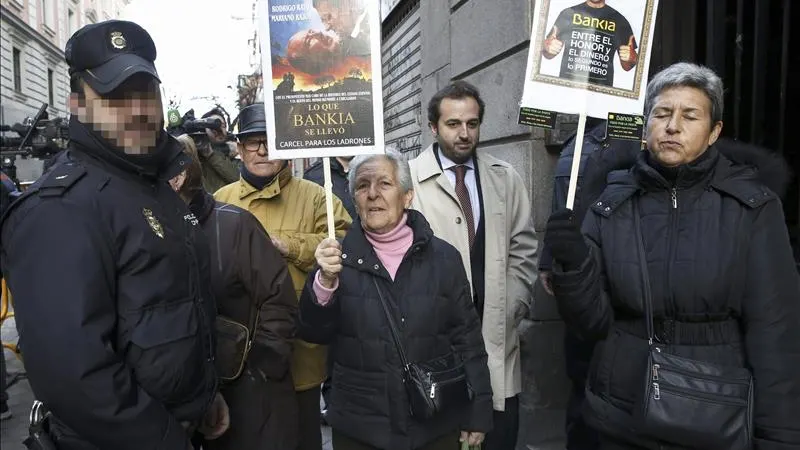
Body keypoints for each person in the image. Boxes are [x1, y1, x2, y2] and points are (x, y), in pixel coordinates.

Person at [544, 62, 800, 449]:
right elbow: (590, 323)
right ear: (645, 127)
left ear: (714, 132)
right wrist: (573, 264)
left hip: (714, 414)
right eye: (661, 113)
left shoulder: (752, 208)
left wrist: (779, 437)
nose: (672, 126)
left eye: (690, 115)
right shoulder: (610, 204)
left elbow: (776, 332)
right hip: (620, 415)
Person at [0, 20, 228, 449]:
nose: (137, 109)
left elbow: (176, 309)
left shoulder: (151, 184)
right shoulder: (61, 208)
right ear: (77, 103)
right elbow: (75, 376)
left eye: (145, 93)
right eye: (114, 96)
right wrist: (165, 440)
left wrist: (203, 398)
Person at [298, 149, 493, 450]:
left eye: (384, 184)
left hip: (433, 422)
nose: (373, 194)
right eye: (363, 186)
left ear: (407, 196)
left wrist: (478, 412)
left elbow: (467, 339)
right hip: (360, 427)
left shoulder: (443, 258)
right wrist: (324, 282)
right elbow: (313, 332)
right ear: (354, 199)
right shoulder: (336, 260)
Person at [408, 81, 538, 450]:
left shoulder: (504, 177)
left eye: (472, 123)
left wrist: (514, 304)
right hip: (436, 343)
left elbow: (524, 245)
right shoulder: (410, 182)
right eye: (453, 124)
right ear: (433, 127)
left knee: (499, 434)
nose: (464, 133)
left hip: (497, 336)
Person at [214, 103, 352, 450]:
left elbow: (344, 248)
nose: (261, 150)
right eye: (251, 142)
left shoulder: (318, 198)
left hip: (299, 360)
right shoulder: (219, 201)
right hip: (238, 361)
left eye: (270, 142)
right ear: (239, 148)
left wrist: (287, 245)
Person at [171, 134, 300, 450]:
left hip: (249, 402)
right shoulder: (149, 231)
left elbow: (279, 302)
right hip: (184, 405)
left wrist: (257, 369)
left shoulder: (234, 225)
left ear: (178, 177)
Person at [538, 119, 640, 450]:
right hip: (591, 278)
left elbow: (559, 211)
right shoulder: (579, 147)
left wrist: (551, 262)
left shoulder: (575, 146)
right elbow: (562, 210)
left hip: (587, 276)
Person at [542, 0, 638, 87]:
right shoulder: (568, 13)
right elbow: (548, 54)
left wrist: (632, 58)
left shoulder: (620, 20)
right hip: (567, 86)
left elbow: (627, 67)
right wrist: (547, 47)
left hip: (602, 91)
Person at [196, 107, 240, 193]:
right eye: (212, 127)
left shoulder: (238, 153)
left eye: (222, 126)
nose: (218, 130)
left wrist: (211, 155)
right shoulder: (196, 156)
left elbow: (239, 180)